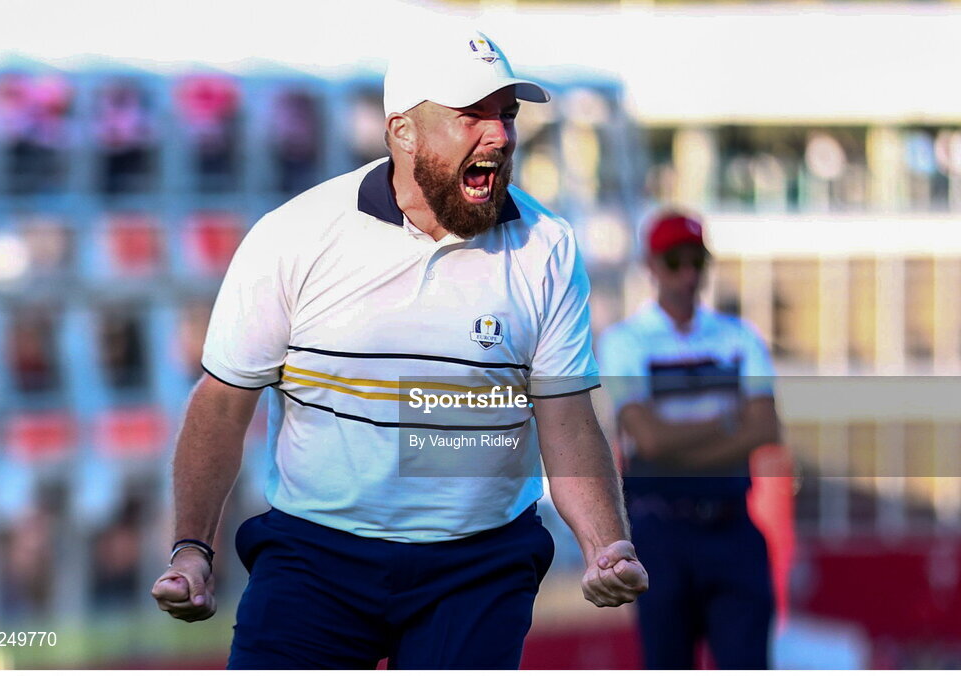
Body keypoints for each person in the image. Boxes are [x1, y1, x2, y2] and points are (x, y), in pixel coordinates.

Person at [151, 29, 648, 669]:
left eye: (507, 114)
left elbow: (566, 415)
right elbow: (221, 405)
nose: (499, 135)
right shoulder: (294, 237)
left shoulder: (547, 246)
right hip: (315, 559)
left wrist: (608, 544)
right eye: (472, 114)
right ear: (402, 131)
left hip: (479, 565)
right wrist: (191, 547)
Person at [598, 209, 781, 669]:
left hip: (731, 525)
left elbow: (766, 429)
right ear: (653, 266)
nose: (688, 274)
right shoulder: (626, 341)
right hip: (663, 532)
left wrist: (680, 440)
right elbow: (648, 438)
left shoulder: (738, 336)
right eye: (676, 261)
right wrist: (726, 424)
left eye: (696, 262)